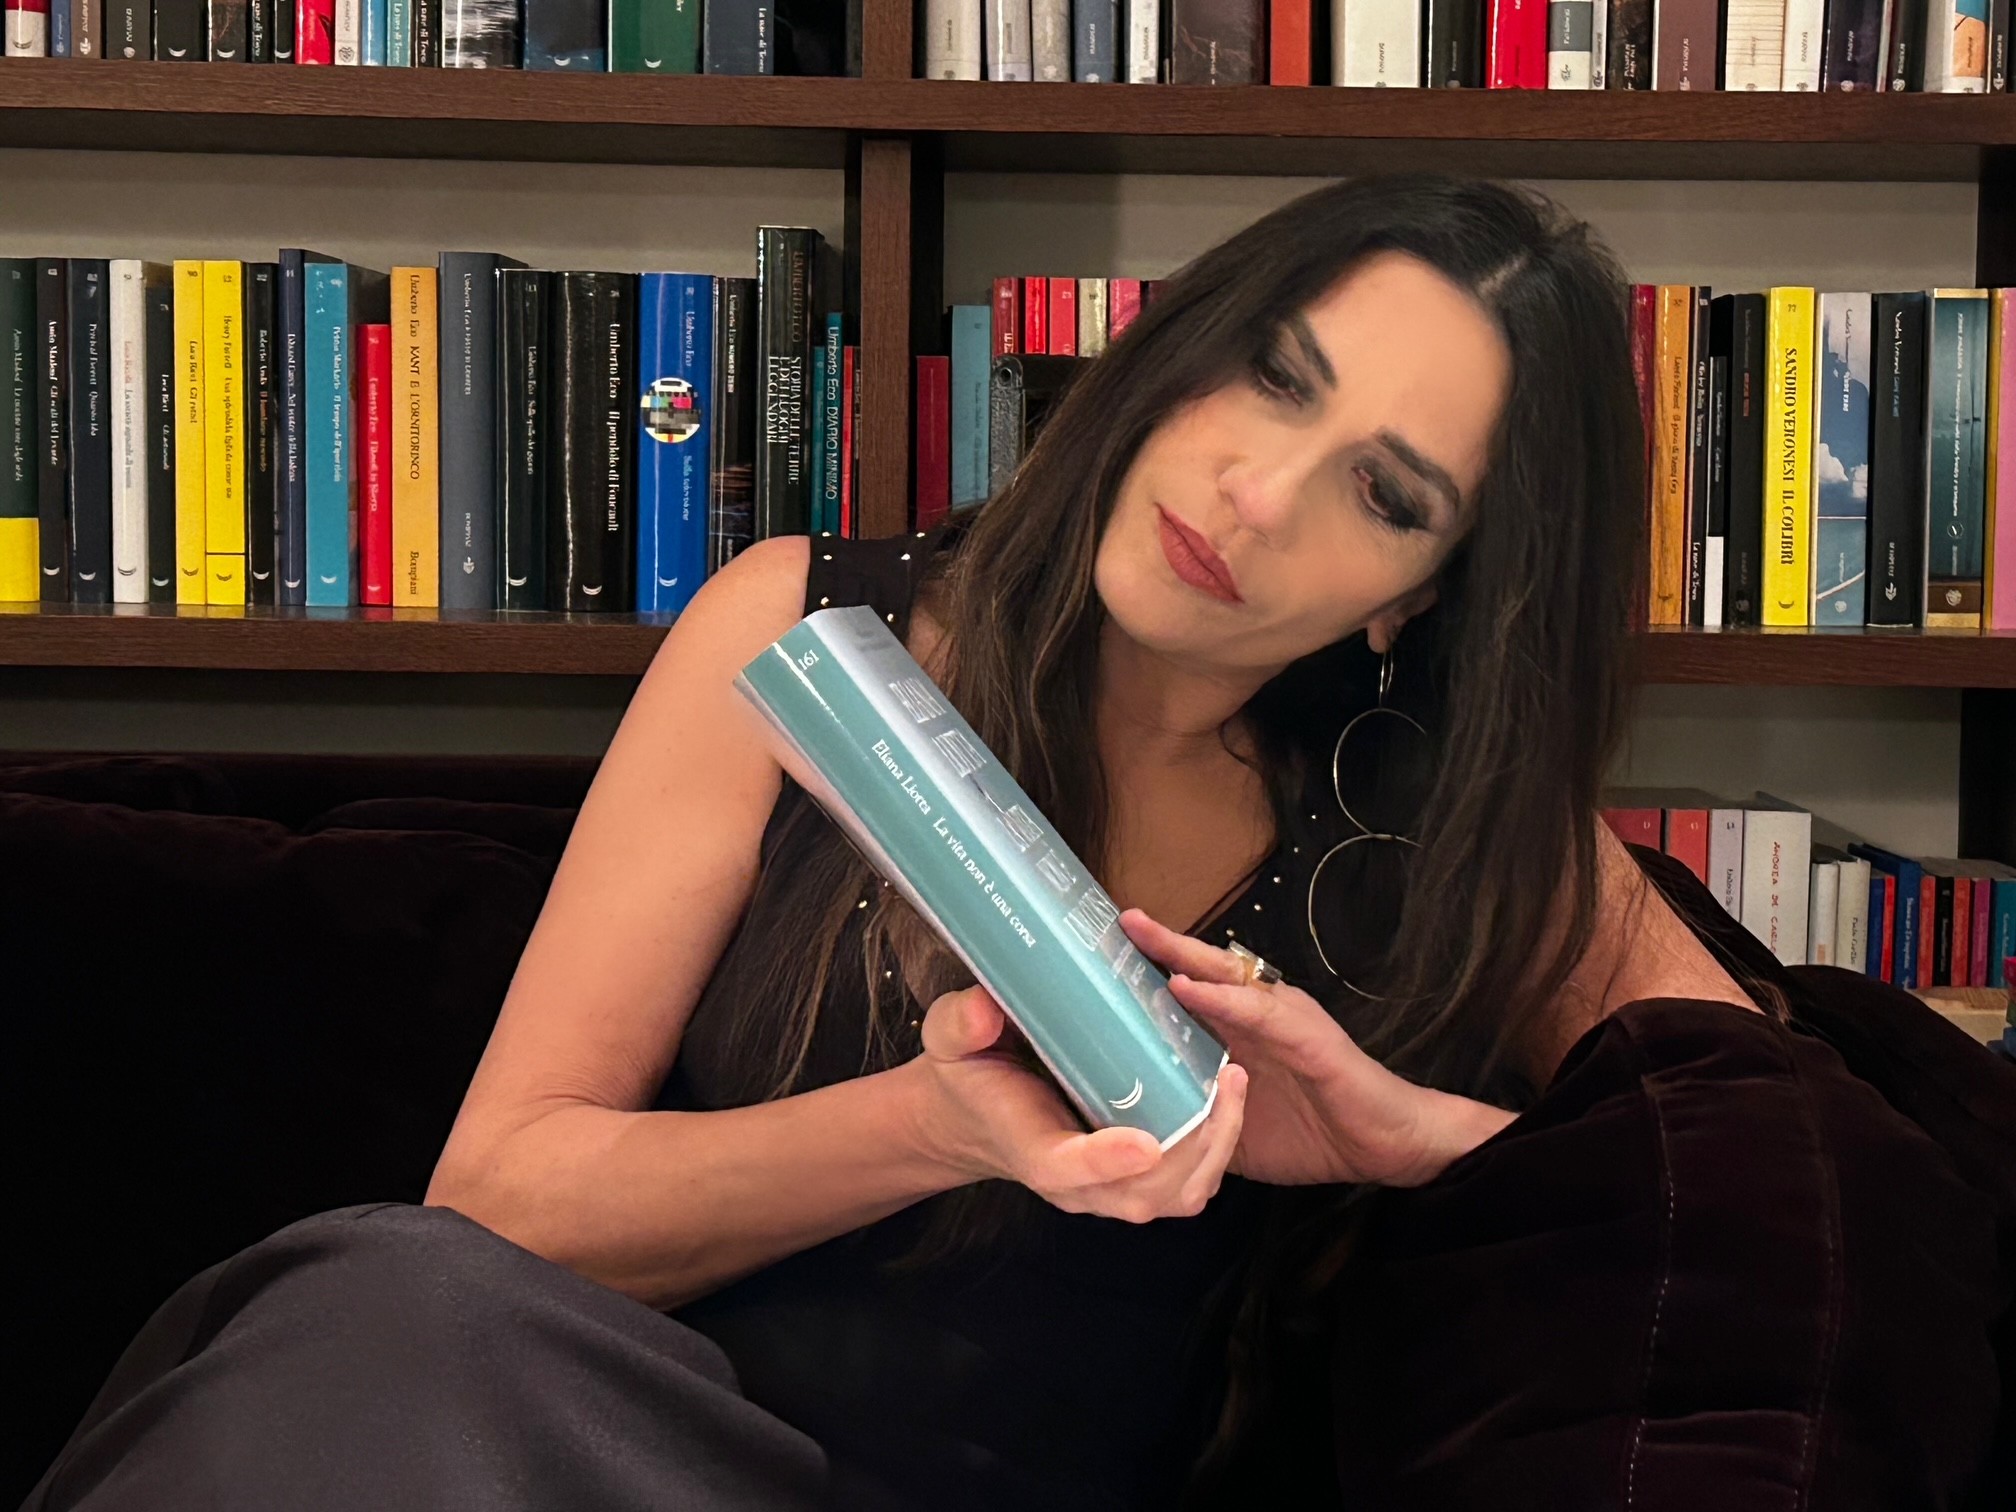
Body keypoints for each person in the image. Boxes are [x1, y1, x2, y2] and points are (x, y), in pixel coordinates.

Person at [25, 176, 2007, 1512]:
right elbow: (502, 1203)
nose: (1257, 490)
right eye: (1273, 377)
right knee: (387, 1315)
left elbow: (1772, 1168)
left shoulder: (1449, 832)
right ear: (1180, 346)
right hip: (584, 1445)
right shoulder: (813, 631)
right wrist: (940, 1126)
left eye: (1385, 493)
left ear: (1423, 592)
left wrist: (1402, 1138)